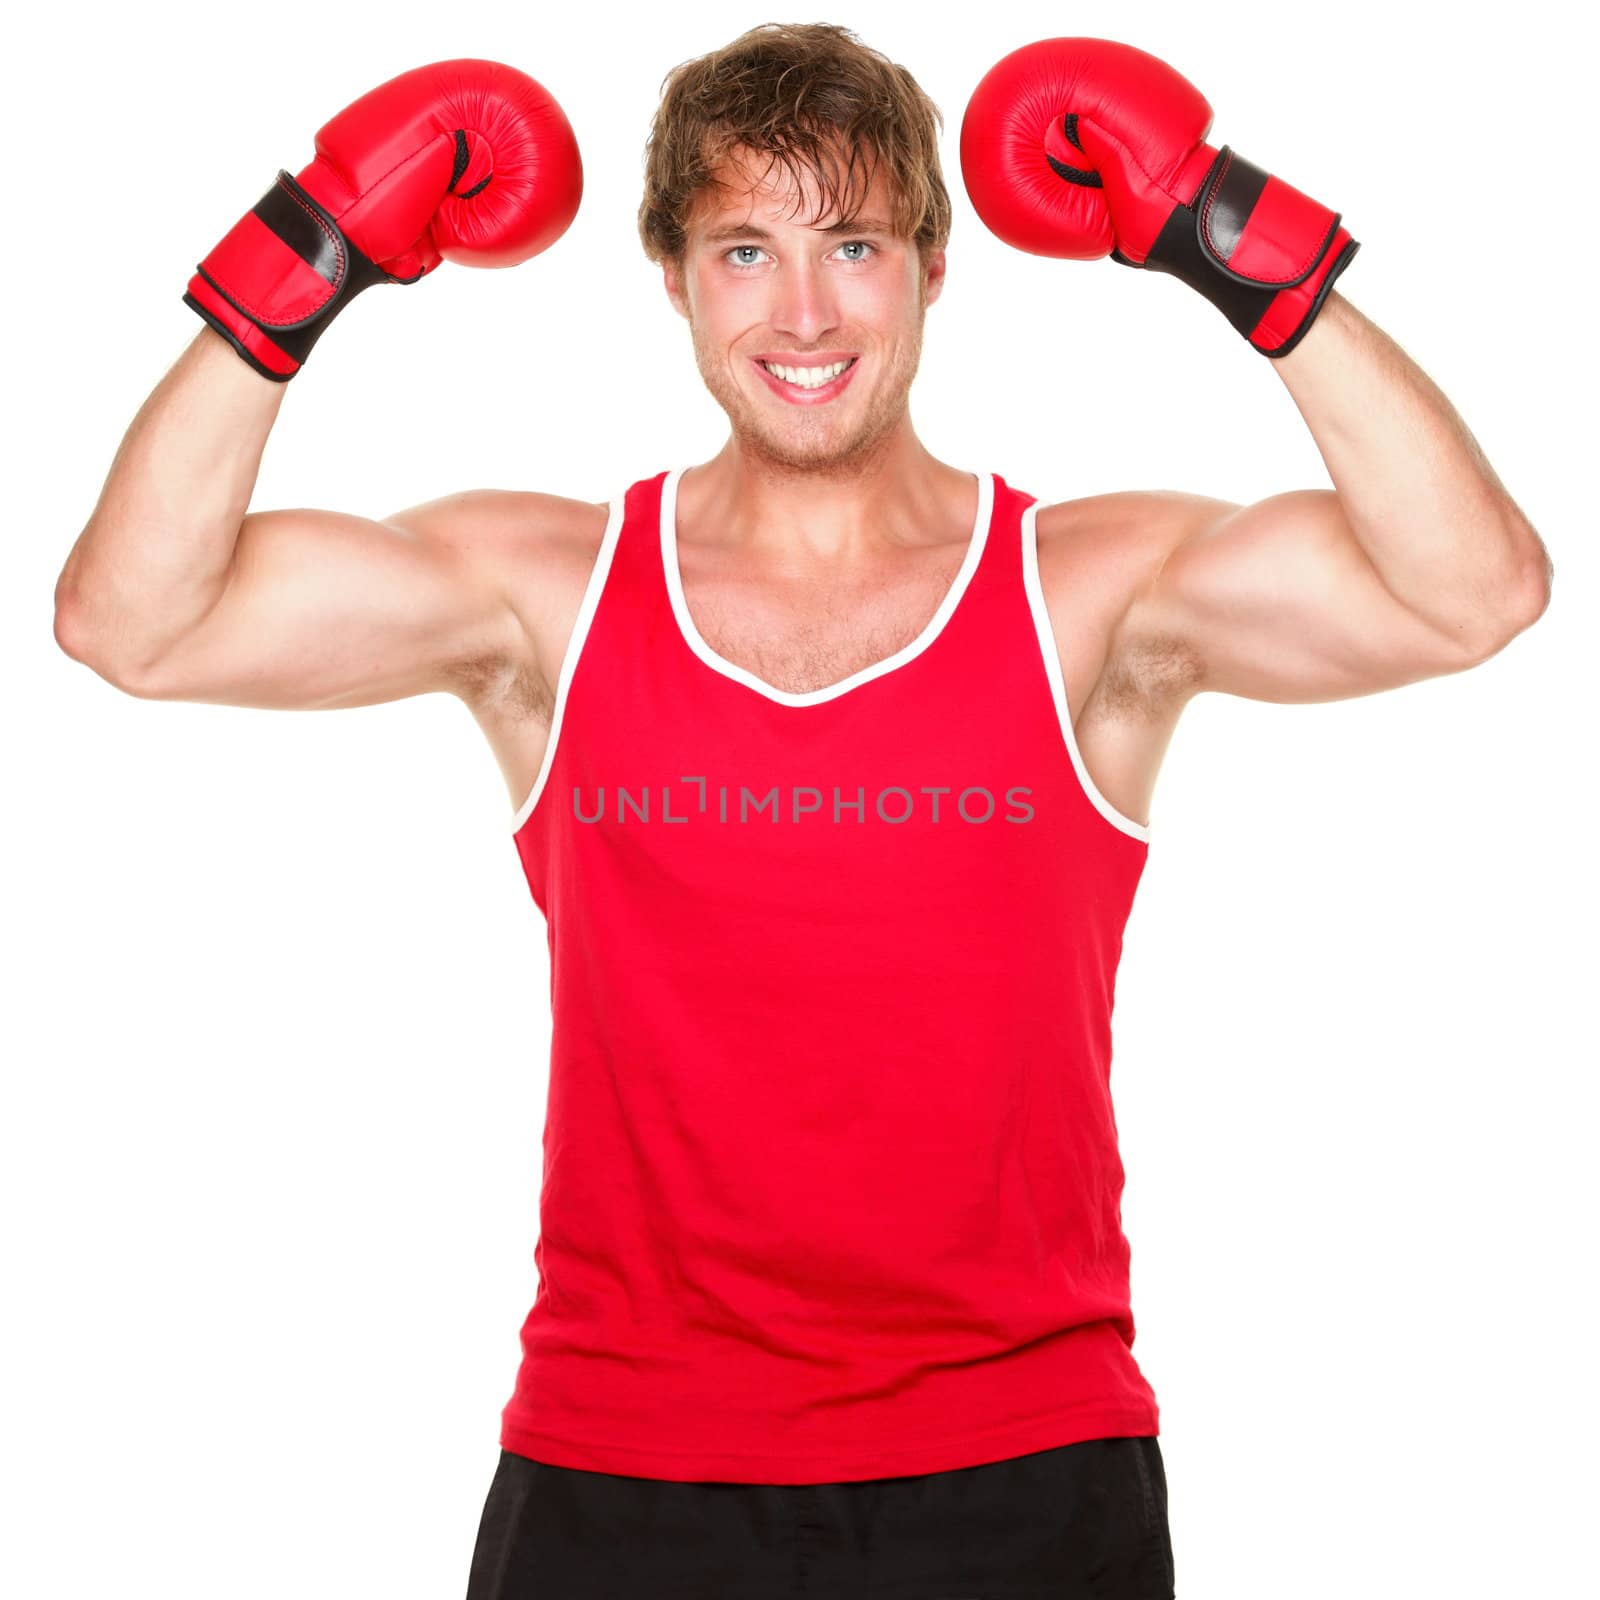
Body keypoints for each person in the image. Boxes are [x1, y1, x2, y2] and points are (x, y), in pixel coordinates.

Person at [52, 21, 1550, 1600]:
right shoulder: (546, 595)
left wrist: (1220, 226)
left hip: (1024, 1471)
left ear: (933, 268)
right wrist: (321, 241)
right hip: (618, 1469)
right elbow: (132, 623)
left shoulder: (1087, 590)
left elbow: (1473, 593)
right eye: (746, 249)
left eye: (855, 243)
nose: (807, 310)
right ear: (679, 283)